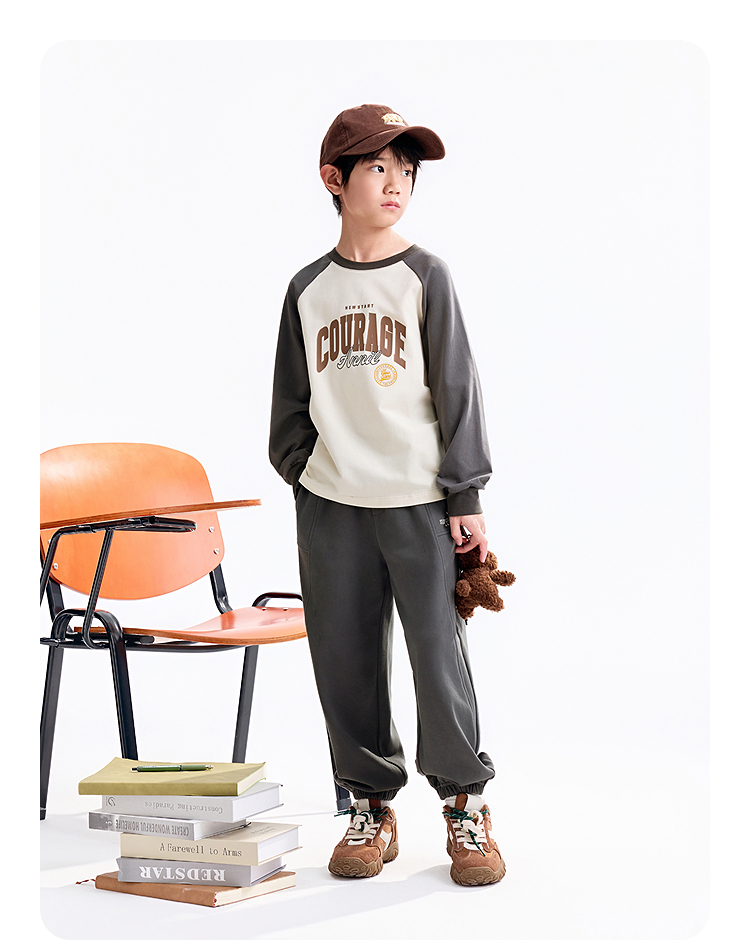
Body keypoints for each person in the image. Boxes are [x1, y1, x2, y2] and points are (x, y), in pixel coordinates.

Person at [269, 103, 504, 887]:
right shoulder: (308, 288)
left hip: (419, 503)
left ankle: (465, 807)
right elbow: (289, 403)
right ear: (334, 179)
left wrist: (464, 494)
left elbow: (457, 388)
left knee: (439, 658)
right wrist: (305, 472)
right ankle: (369, 807)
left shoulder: (425, 274)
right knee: (344, 660)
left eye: (406, 170)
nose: (397, 182)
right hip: (331, 506)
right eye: (378, 167)